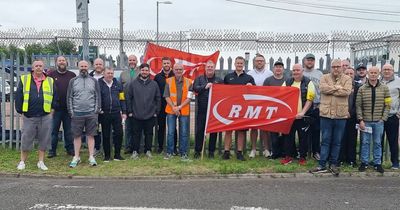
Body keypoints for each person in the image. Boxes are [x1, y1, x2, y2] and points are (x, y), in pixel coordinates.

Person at [309, 59, 352, 176]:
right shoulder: (324, 77)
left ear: (342, 67)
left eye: (338, 66)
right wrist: (338, 87)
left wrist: (332, 89)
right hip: (326, 114)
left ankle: (334, 163)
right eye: (334, 67)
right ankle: (322, 164)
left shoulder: (347, 78)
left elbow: (347, 91)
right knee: (325, 140)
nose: (336, 69)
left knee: (337, 141)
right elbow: (322, 89)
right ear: (330, 67)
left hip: (340, 114)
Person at [15, 60, 57, 170]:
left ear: (43, 68)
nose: (38, 67)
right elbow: (18, 96)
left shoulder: (50, 81)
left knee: (44, 139)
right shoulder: (25, 79)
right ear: (32, 68)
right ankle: (22, 161)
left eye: (40, 66)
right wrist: (21, 111)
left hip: (45, 115)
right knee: (26, 139)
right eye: (36, 66)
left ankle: (41, 162)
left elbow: (55, 96)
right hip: (29, 115)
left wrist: (52, 110)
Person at [356, 66, 391, 174]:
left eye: (375, 73)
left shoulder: (384, 88)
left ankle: (377, 163)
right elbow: (358, 105)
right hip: (366, 121)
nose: (373, 74)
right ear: (368, 74)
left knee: (377, 142)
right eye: (371, 72)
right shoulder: (362, 88)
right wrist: (360, 119)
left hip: (378, 121)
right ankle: (364, 162)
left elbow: (388, 105)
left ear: (378, 74)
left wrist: (383, 118)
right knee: (365, 142)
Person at [67, 60, 101, 167]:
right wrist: (71, 112)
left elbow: (97, 96)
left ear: (89, 67)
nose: (83, 68)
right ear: (78, 67)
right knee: (77, 136)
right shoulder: (73, 81)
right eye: (81, 66)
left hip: (91, 113)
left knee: (91, 136)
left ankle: (91, 156)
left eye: (85, 66)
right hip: (77, 113)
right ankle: (76, 157)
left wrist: (96, 111)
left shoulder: (94, 81)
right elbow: (69, 97)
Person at [280, 64, 314, 166]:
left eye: (298, 70)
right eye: (294, 70)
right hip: (290, 116)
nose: (295, 72)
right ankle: (288, 156)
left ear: (302, 71)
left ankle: (302, 157)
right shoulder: (287, 82)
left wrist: (302, 112)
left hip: (303, 116)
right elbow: (280, 95)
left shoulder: (308, 82)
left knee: (303, 138)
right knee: (288, 137)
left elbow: (310, 99)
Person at [223, 56, 255, 161]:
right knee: (228, 130)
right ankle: (226, 152)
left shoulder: (249, 78)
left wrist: (251, 86)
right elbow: (222, 92)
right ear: (234, 64)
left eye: (241, 63)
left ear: (243, 65)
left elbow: (255, 93)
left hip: (243, 108)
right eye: (238, 63)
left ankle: (239, 152)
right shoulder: (228, 77)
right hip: (230, 107)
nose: (239, 65)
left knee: (241, 131)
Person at [126, 63, 161, 159]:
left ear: (149, 71)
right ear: (140, 71)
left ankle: (148, 150)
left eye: (146, 70)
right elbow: (128, 98)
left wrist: (156, 112)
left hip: (150, 114)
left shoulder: (154, 84)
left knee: (149, 134)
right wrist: (130, 111)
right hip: (136, 114)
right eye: (143, 70)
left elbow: (158, 98)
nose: (144, 72)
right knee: (135, 134)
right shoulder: (133, 84)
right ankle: (135, 151)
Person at [192, 60, 223, 159]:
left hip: (214, 110)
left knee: (213, 131)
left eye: (211, 67)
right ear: (205, 69)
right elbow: (195, 88)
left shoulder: (219, 80)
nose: (210, 68)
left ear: (214, 68)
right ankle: (198, 151)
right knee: (200, 130)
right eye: (208, 67)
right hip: (202, 109)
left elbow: (224, 92)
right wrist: (204, 87)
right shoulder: (200, 79)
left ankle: (211, 152)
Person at [163, 63, 193, 161]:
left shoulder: (189, 82)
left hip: (183, 110)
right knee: (171, 132)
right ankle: (170, 153)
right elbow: (166, 96)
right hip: (171, 110)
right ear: (173, 70)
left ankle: (183, 153)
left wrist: (179, 107)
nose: (178, 71)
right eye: (176, 69)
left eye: (180, 69)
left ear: (183, 70)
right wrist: (174, 107)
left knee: (184, 133)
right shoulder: (168, 81)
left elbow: (189, 98)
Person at [47, 56, 76, 158]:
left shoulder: (72, 75)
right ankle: (52, 150)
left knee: (69, 131)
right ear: (56, 63)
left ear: (66, 62)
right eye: (59, 60)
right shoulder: (51, 75)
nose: (61, 62)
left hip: (68, 108)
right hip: (55, 109)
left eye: (63, 60)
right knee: (53, 131)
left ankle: (70, 149)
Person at [247, 54, 273, 158]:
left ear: (264, 62)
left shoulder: (269, 73)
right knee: (253, 128)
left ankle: (266, 149)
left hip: (266, 103)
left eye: (261, 61)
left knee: (265, 128)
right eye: (257, 61)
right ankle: (253, 149)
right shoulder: (249, 74)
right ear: (254, 62)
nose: (259, 62)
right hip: (253, 104)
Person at [98, 67, 126, 162]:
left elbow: (122, 99)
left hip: (116, 113)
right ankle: (107, 156)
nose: (110, 75)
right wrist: (99, 109)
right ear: (103, 73)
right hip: (104, 113)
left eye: (111, 73)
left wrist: (124, 112)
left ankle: (117, 155)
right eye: (108, 73)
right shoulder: (99, 84)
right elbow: (96, 97)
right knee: (106, 135)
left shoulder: (118, 84)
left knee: (119, 133)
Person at [263, 60, 287, 159]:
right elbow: (264, 95)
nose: (278, 68)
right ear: (273, 69)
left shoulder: (288, 80)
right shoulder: (268, 81)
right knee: (273, 133)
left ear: (283, 69)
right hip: (272, 110)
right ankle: (274, 153)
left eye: (280, 67)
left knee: (285, 133)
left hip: (284, 109)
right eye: (276, 67)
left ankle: (284, 152)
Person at [154, 57, 178, 154]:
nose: (166, 65)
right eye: (164, 63)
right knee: (161, 127)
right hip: (162, 106)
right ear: (162, 64)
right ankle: (160, 147)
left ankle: (174, 148)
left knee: (173, 128)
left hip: (173, 106)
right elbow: (155, 92)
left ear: (171, 64)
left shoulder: (176, 76)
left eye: (168, 63)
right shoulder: (157, 77)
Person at [339, 67, 361, 168]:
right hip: (341, 116)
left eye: (351, 73)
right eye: (347, 73)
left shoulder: (358, 87)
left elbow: (359, 103)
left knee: (352, 138)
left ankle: (351, 159)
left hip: (353, 117)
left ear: (354, 75)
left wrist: (351, 113)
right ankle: (341, 159)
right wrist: (344, 112)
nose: (349, 75)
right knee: (341, 138)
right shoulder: (339, 85)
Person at [302, 53, 322, 160]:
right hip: (304, 106)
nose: (310, 62)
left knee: (316, 130)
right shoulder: (301, 73)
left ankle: (316, 152)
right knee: (303, 131)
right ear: (304, 61)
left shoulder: (319, 74)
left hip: (316, 105)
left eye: (312, 60)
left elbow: (322, 90)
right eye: (308, 60)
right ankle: (303, 152)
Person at [380, 64, 399, 170]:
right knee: (379, 140)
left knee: (393, 140)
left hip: (392, 115)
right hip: (379, 116)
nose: (387, 71)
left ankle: (395, 162)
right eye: (385, 69)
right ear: (382, 71)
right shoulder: (378, 81)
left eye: (389, 69)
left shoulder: (398, 81)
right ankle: (379, 161)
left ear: (393, 70)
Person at [120, 54, 138, 154]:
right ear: (128, 61)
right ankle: (128, 147)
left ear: (136, 62)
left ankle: (139, 146)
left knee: (138, 127)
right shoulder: (123, 74)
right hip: (126, 104)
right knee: (128, 127)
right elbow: (120, 90)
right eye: (130, 60)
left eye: (134, 60)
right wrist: (122, 103)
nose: (132, 62)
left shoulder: (140, 72)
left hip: (138, 104)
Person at [89, 58, 105, 156]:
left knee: (106, 128)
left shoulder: (107, 76)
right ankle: (96, 147)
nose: (98, 66)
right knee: (94, 129)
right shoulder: (89, 77)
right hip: (92, 108)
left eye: (100, 64)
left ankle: (105, 148)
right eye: (96, 64)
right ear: (93, 65)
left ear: (103, 65)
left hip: (105, 107)